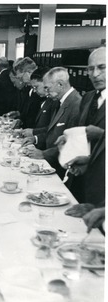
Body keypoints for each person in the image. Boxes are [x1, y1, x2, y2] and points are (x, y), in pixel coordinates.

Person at [57, 46, 106, 202]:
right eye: (90, 69)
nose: (95, 74)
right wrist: (70, 142)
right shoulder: (88, 97)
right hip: (81, 180)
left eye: (102, 67)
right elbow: (81, 131)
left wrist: (102, 135)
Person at [23, 67, 82, 178]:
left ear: (60, 84)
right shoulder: (59, 102)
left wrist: (44, 154)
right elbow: (52, 131)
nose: (46, 92)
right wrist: (36, 139)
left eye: (47, 88)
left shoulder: (76, 104)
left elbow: (72, 144)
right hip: (54, 162)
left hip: (64, 169)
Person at [20, 67, 58, 143]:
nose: (34, 91)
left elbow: (52, 129)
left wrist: (34, 133)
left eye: (36, 87)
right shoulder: (46, 100)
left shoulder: (55, 101)